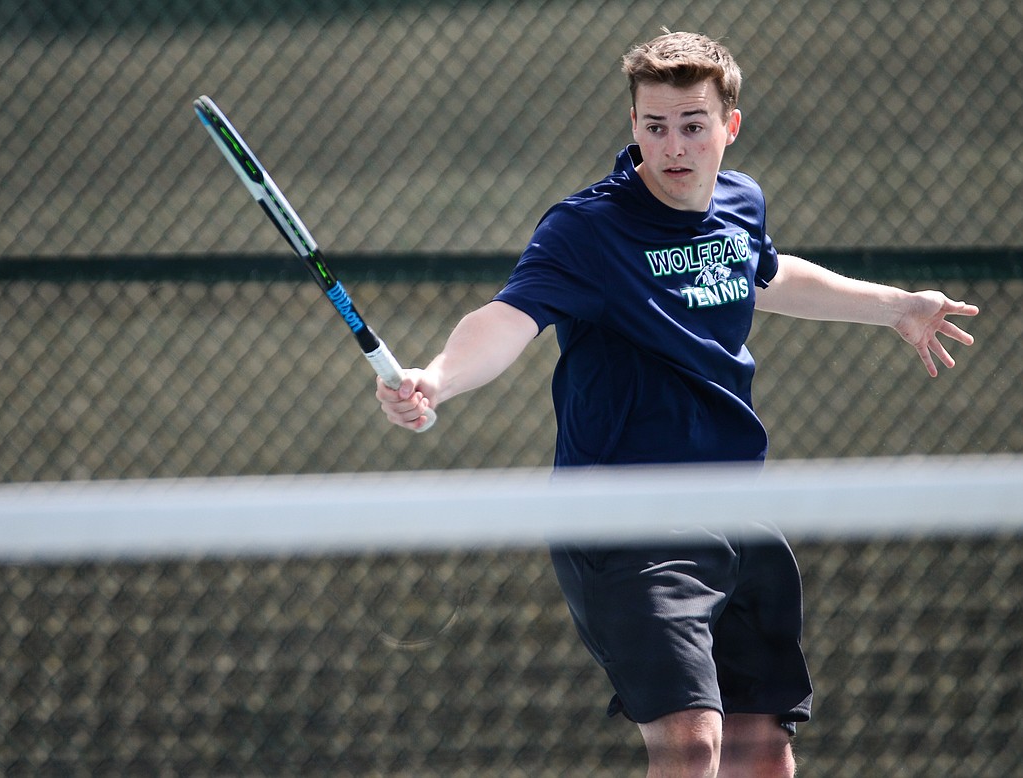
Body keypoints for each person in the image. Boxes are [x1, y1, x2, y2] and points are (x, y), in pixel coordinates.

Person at [376, 30, 978, 777]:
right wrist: (438, 376)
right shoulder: (585, 230)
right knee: (693, 745)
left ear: (729, 126)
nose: (673, 147)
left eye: (693, 125)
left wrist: (896, 307)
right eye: (654, 126)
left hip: (733, 506)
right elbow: (507, 318)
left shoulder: (740, 201)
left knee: (763, 755)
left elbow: (765, 272)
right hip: (625, 519)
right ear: (634, 125)